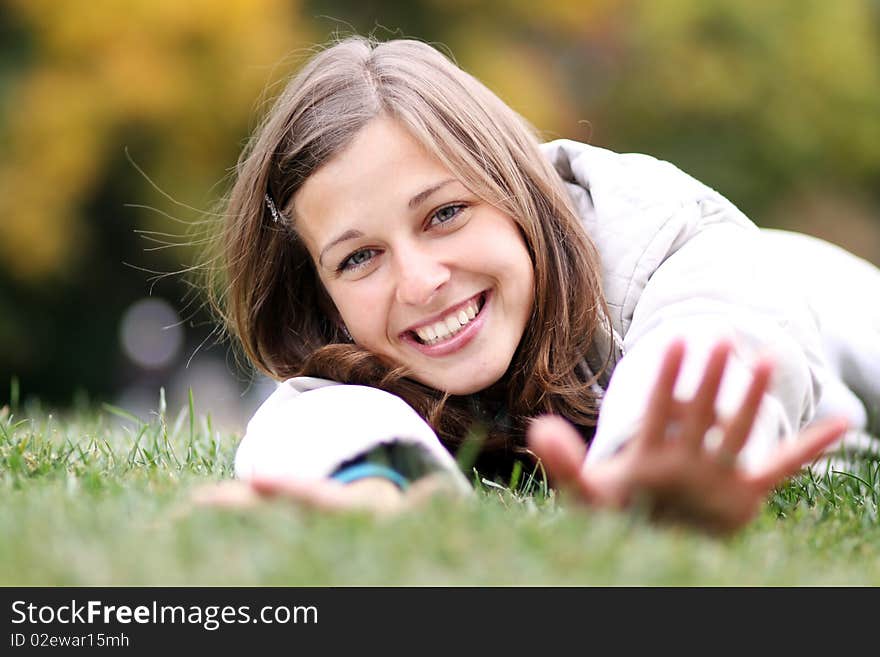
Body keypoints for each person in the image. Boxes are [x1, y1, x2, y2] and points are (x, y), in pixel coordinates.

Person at [200, 36, 879, 533]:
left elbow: (714, 333)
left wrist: (653, 450)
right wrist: (380, 482)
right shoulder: (352, 358)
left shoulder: (660, 238)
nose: (420, 281)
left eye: (445, 213)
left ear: (517, 190)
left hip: (809, 287)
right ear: (320, 294)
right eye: (358, 258)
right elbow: (314, 417)